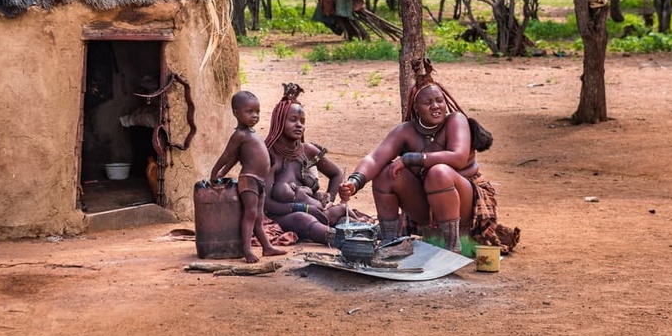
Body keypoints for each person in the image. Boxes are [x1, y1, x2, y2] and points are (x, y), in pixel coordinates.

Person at [340, 58, 520, 254]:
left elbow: (458, 157)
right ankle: (391, 242)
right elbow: (375, 158)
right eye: (428, 102)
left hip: (466, 205)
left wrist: (411, 159)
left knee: (439, 173)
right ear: (417, 108)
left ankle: (452, 248)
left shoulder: (456, 120)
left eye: (439, 100)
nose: (435, 106)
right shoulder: (406, 131)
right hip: (426, 205)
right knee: (387, 173)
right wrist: (354, 182)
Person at [262, 83, 352, 244]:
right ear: (279, 122)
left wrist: (329, 199)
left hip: (317, 211)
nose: (299, 125)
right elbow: (267, 204)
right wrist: (303, 208)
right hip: (284, 216)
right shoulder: (269, 156)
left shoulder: (308, 151)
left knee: (342, 210)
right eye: (293, 120)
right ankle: (345, 242)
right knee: (302, 218)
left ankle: (372, 236)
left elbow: (336, 174)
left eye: (302, 121)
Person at [209, 90, 288, 263]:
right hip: (249, 180)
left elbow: (237, 157)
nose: (255, 115)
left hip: (259, 182)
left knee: (259, 217)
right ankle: (246, 249)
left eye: (257, 112)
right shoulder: (239, 135)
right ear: (236, 113)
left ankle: (267, 247)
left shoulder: (252, 133)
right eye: (249, 112)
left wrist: (224, 172)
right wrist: (215, 172)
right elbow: (227, 155)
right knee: (250, 214)